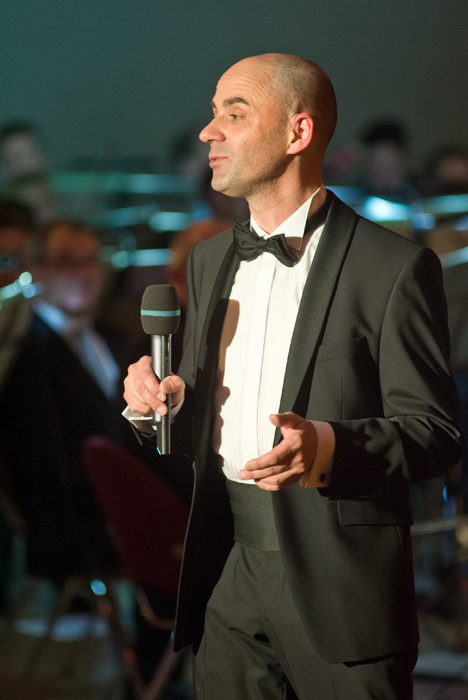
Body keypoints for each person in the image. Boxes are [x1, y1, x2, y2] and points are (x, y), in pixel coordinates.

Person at [123, 54, 463, 700]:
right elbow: (199, 410)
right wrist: (155, 402)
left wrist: (328, 446)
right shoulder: (208, 260)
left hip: (340, 580)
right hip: (227, 564)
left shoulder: (392, 268)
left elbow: (436, 433)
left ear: (297, 133)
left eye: (234, 113)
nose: (209, 131)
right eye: (213, 113)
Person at [0, 218, 125, 579]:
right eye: (66, 262)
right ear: (35, 269)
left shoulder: (111, 337)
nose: (82, 273)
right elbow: (45, 462)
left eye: (90, 261)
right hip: (77, 528)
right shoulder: (25, 353)